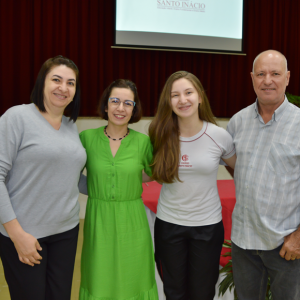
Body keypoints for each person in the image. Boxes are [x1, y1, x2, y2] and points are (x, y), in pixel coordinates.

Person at [0, 55, 87, 300]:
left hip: (66, 232)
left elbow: (72, 177)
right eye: (56, 80)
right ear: (42, 83)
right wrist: (17, 235)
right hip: (26, 234)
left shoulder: (71, 125)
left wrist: (121, 183)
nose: (63, 87)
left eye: (71, 83)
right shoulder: (16, 117)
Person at [148, 71, 236, 300]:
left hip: (207, 227)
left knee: (202, 293)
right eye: (174, 95)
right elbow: (147, 172)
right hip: (168, 225)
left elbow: (240, 171)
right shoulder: (159, 133)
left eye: (188, 92)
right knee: (173, 292)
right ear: (168, 101)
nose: (182, 100)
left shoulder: (219, 136)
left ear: (200, 97)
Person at [225, 50, 300, 300]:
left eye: (275, 74)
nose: (267, 80)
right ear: (252, 78)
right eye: (261, 74)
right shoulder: (237, 122)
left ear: (287, 78)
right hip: (243, 243)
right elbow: (234, 165)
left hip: (286, 245)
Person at [79, 79, 159, 300]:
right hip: (98, 219)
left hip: (132, 220)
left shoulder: (143, 142)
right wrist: (95, 188)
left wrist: (129, 181)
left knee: (135, 277)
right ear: (106, 106)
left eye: (128, 103)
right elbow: (70, 173)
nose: (120, 108)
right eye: (115, 101)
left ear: (134, 109)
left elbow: (155, 173)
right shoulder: (86, 139)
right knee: (98, 277)